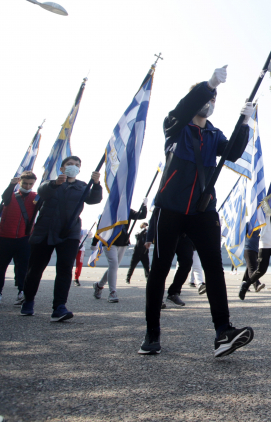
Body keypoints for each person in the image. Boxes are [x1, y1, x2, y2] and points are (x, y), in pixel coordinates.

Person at [140, 66, 254, 357]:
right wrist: (209, 83)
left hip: (203, 209)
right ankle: (152, 332)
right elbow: (186, 105)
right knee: (161, 267)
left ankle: (223, 331)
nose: (210, 102)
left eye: (214, 98)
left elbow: (232, 153)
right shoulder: (175, 124)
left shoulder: (214, 134)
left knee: (214, 268)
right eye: (207, 97)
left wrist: (245, 123)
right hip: (171, 206)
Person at [20, 156, 102, 321]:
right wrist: (56, 183)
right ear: (62, 167)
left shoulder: (82, 186)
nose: (74, 167)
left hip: (69, 233)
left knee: (65, 269)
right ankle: (28, 300)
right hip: (45, 231)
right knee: (35, 269)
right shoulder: (50, 183)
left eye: (77, 165)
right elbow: (43, 192)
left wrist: (97, 184)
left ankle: (59, 307)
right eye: (70, 164)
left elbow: (94, 199)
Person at [0, 172, 38, 306]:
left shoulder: (36, 197)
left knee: (23, 268)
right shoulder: (11, 195)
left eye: (30, 184)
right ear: (19, 182)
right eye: (25, 183)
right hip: (5, 237)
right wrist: (11, 184)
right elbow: (4, 197)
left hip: (25, 238)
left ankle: (21, 292)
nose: (27, 186)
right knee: (0, 267)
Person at [93, 202, 148, 303]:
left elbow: (141, 216)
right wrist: (94, 242)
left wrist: (144, 205)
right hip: (109, 241)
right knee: (113, 265)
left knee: (113, 267)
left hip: (122, 242)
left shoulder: (127, 210)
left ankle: (99, 285)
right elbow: (100, 227)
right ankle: (112, 292)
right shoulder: (109, 210)